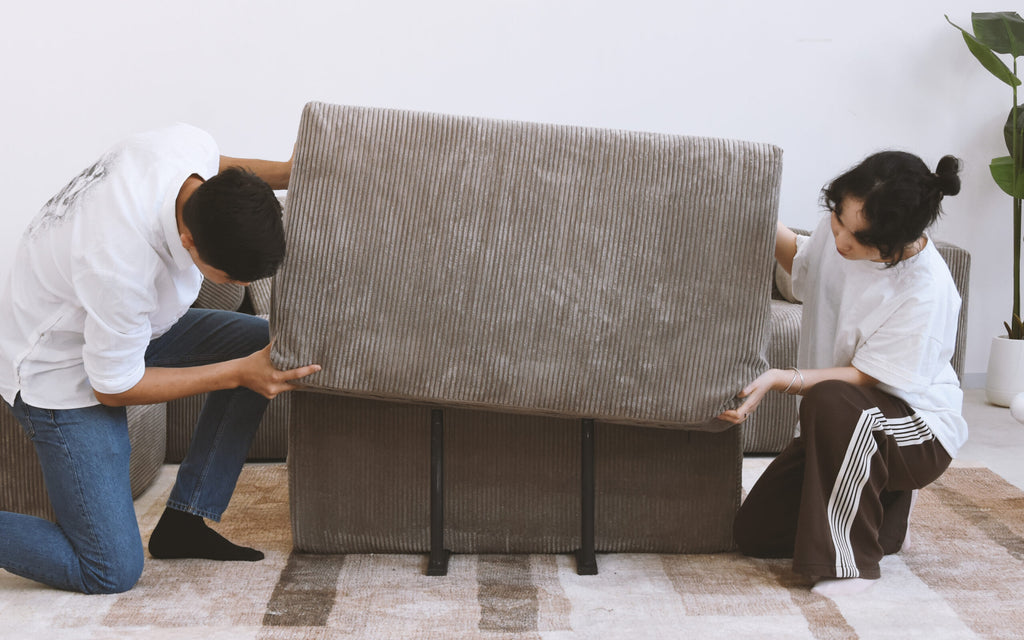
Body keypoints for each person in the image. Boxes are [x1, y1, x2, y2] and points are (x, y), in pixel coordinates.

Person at [0, 123, 321, 594]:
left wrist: (290, 172)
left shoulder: (182, 148)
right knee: (109, 570)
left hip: (124, 330)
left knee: (265, 349)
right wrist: (238, 375)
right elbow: (113, 387)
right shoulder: (119, 264)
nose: (243, 288)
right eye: (231, 277)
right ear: (190, 242)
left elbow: (220, 167)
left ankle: (186, 521)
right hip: (58, 369)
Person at [719, 151, 967, 596]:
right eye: (837, 218)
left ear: (899, 239)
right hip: (851, 421)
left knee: (830, 398)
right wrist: (749, 200)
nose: (841, 241)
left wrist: (780, 378)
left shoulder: (925, 291)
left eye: (861, 237)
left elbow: (862, 379)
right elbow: (802, 260)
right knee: (756, 533)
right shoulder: (840, 233)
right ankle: (887, 519)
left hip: (917, 430)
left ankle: (847, 565)